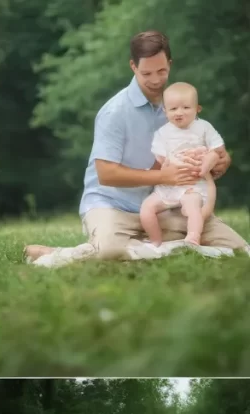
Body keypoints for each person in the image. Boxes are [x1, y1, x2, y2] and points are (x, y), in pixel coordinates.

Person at [24, 31, 247, 266]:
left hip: (166, 203)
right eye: (146, 73)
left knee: (239, 249)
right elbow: (106, 174)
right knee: (110, 250)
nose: (156, 80)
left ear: (170, 65)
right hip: (113, 205)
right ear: (133, 66)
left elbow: (209, 147)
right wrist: (165, 176)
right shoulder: (115, 112)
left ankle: (144, 247)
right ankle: (79, 252)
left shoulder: (177, 106)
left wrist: (221, 161)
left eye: (161, 71)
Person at [139, 83, 224, 246]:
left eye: (186, 107)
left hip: (194, 183)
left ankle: (193, 237)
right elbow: (162, 159)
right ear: (165, 111)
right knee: (146, 208)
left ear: (197, 109)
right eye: (173, 109)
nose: (179, 112)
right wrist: (175, 162)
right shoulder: (162, 133)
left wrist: (206, 163)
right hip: (169, 185)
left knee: (193, 207)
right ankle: (155, 240)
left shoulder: (203, 127)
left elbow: (216, 150)